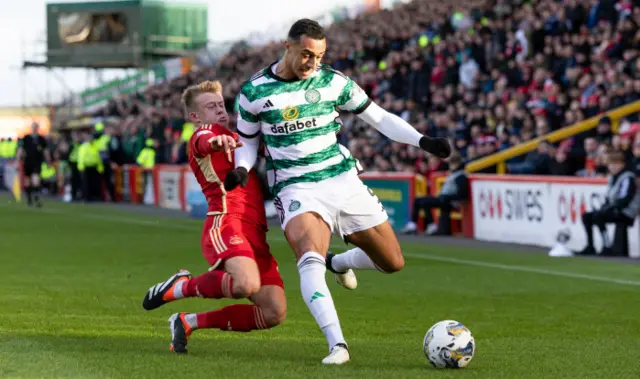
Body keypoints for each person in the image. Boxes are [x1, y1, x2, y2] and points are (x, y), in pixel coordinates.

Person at [225, 19, 451, 364]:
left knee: (392, 262)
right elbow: (247, 142)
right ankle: (337, 344)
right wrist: (242, 168)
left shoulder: (332, 81)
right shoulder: (254, 92)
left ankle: (341, 261)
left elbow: (380, 118)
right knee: (308, 255)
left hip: (343, 181)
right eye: (306, 55)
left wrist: (424, 141)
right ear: (287, 47)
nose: (312, 64)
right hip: (295, 185)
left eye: (318, 56)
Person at [142, 80, 286, 354]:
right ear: (195, 116)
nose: (220, 110)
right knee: (246, 284)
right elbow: (204, 142)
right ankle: (182, 286)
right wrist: (217, 140)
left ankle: (187, 322)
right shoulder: (205, 133)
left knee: (273, 312)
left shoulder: (237, 137)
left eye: (221, 104)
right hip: (227, 221)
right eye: (211, 106)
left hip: (256, 231)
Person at [578, 151, 640, 256]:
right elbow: (609, 197)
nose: (612, 167)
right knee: (587, 216)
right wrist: (606, 207)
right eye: (610, 164)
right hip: (615, 209)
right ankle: (590, 246)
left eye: (615, 164)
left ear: (622, 164)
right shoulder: (612, 177)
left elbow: (625, 199)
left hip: (627, 211)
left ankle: (607, 246)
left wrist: (610, 208)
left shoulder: (628, 177)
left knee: (599, 216)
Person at [400, 151, 469, 235]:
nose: (451, 165)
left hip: (449, 201)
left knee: (425, 202)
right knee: (418, 200)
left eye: (453, 163)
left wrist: (447, 197)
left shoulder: (461, 175)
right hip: (444, 198)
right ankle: (414, 224)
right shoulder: (454, 173)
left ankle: (431, 225)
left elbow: (462, 194)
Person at [16, 123, 50, 207]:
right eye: (33, 127)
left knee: (36, 180)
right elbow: (20, 149)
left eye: (36, 127)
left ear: (37, 128)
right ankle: (29, 199)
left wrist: (48, 160)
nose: (34, 128)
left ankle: (36, 197)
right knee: (27, 181)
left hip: (37, 162)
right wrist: (18, 160)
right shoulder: (26, 138)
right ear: (31, 128)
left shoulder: (41, 139)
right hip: (27, 162)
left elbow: (45, 150)